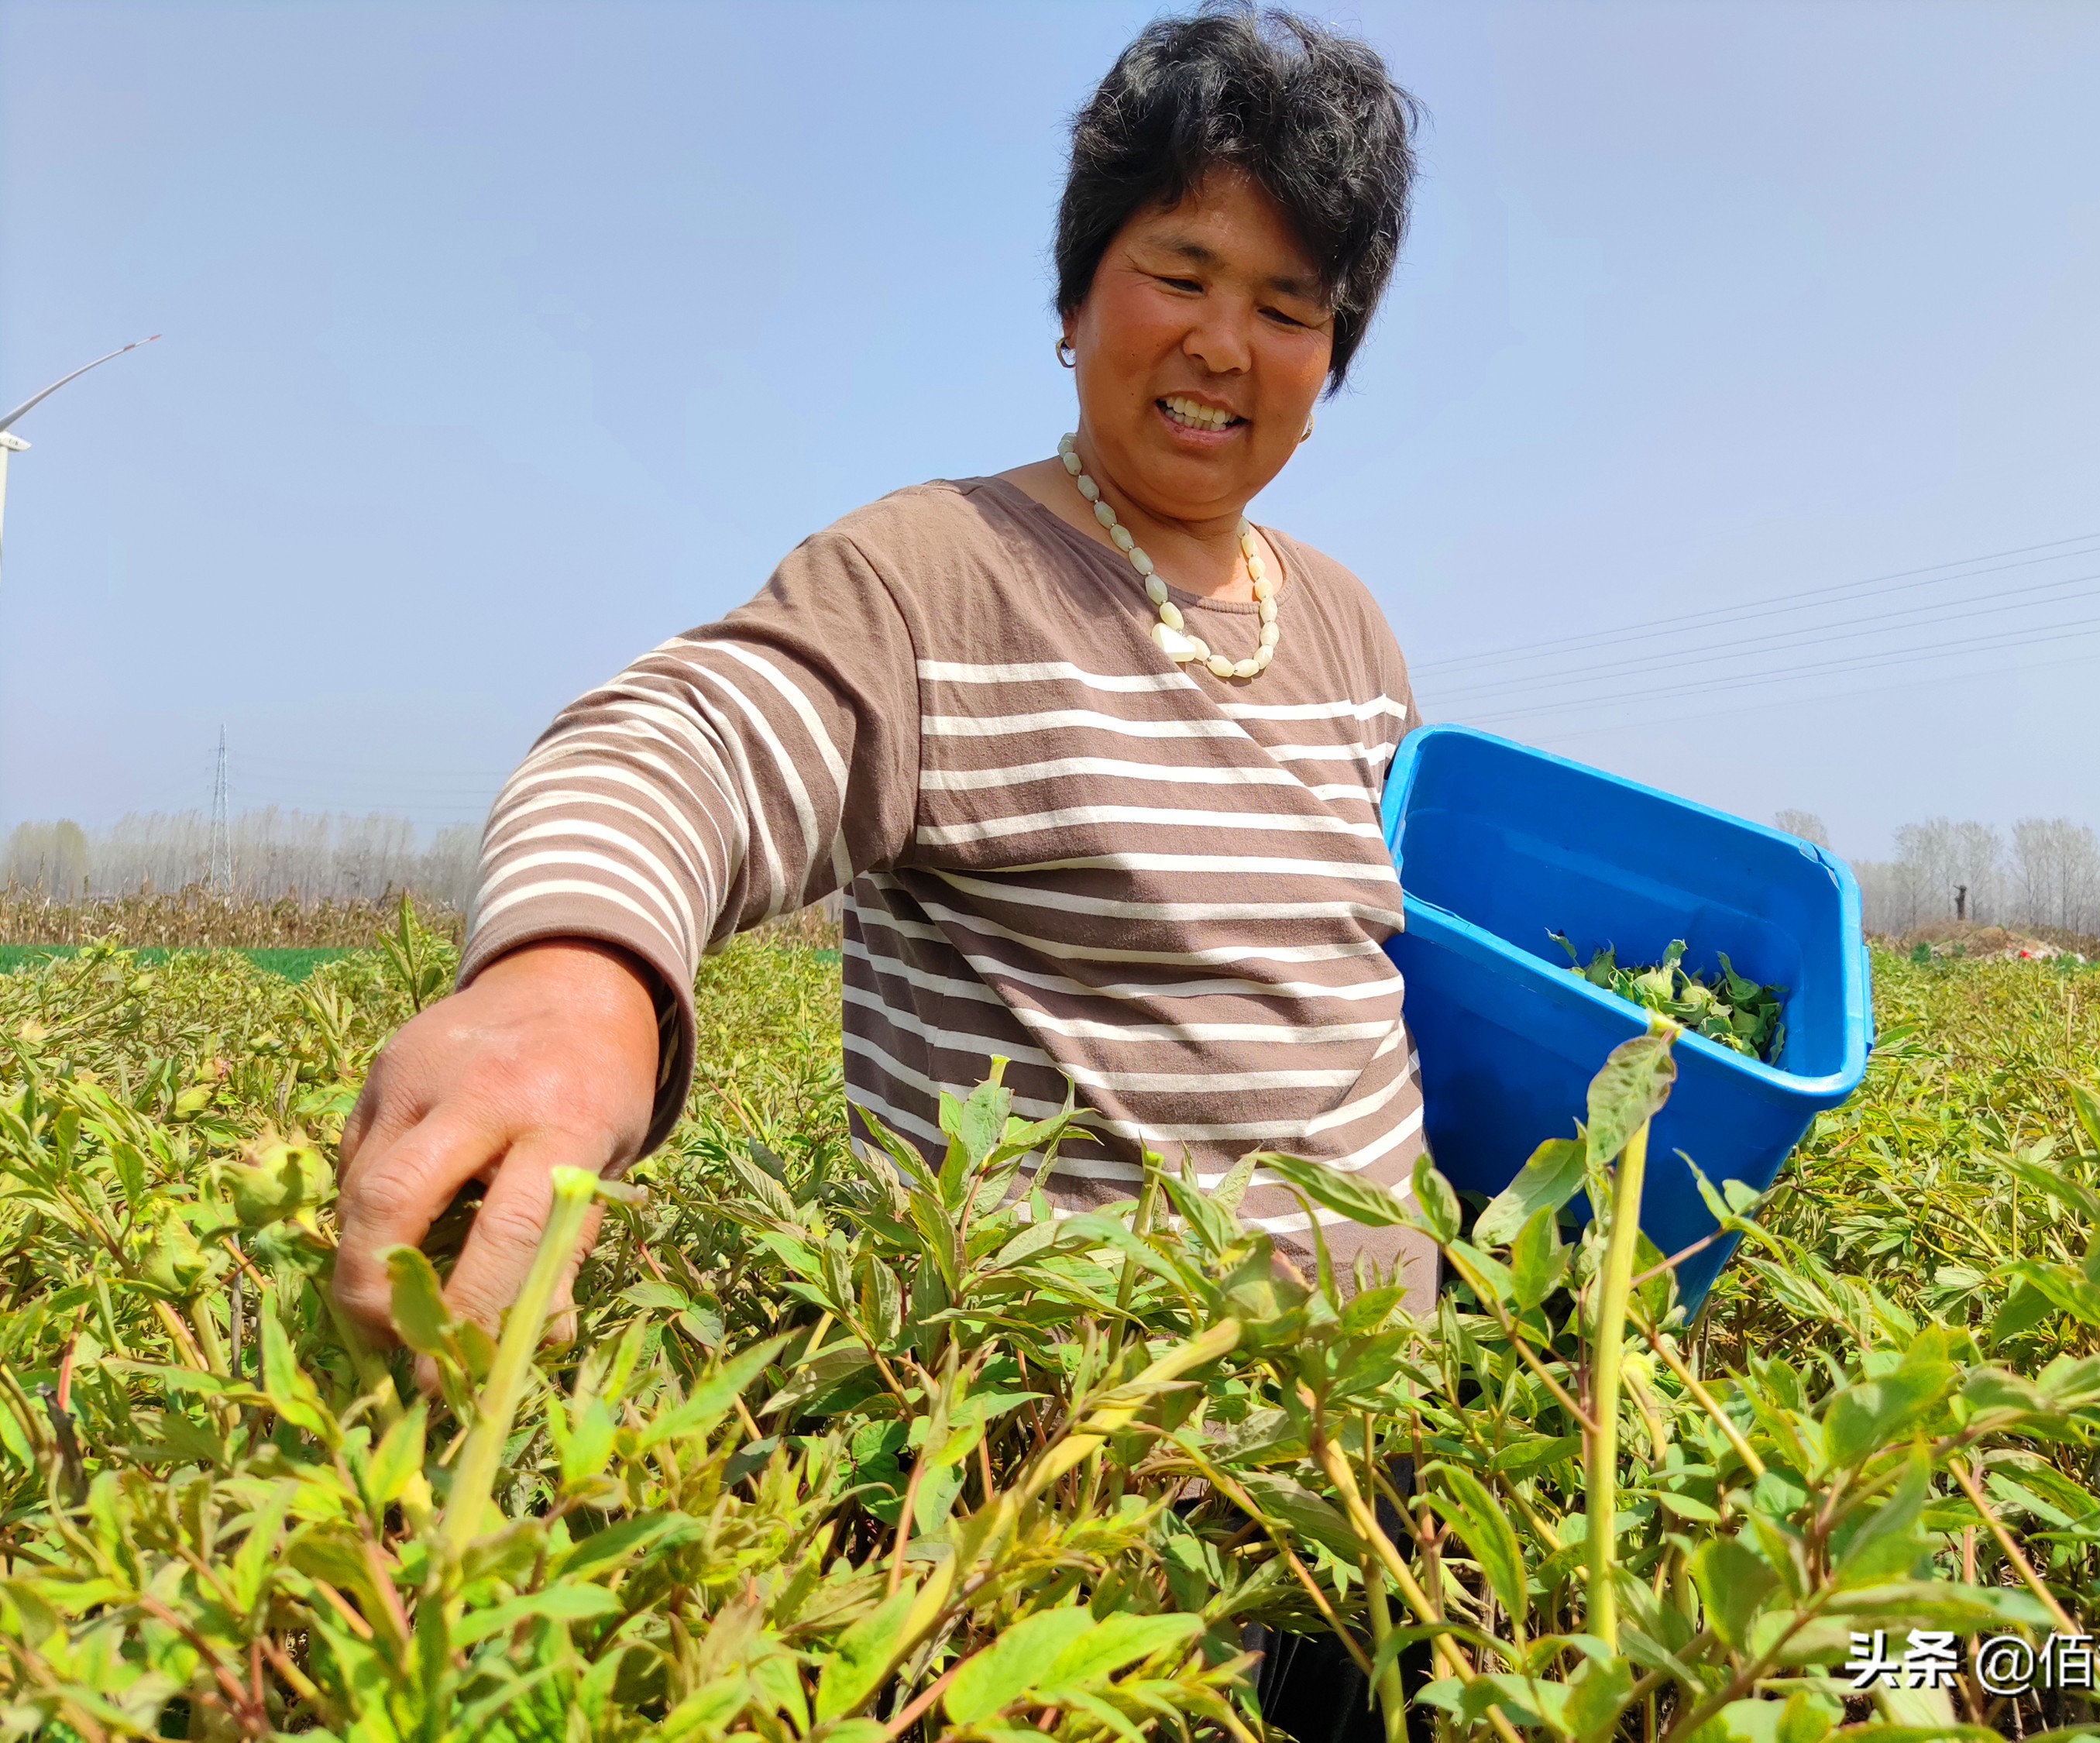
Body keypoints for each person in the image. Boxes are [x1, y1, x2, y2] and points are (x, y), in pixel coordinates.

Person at [332, 2, 1432, 1367]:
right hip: (1060, 1460)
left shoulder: (1349, 627)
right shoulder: (929, 579)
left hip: (1380, 1458)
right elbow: (690, 742)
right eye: (1181, 272)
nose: (1225, 343)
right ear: (1076, 298)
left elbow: (1373, 973)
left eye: (1287, 308)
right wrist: (575, 980)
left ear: (1330, 363)